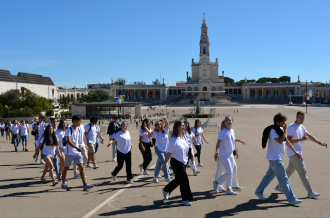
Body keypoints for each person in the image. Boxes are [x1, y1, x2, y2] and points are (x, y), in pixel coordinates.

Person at [274, 111, 327, 198]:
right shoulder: (291, 127)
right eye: (300, 118)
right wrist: (301, 139)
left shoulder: (301, 126)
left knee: (289, 170)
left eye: (303, 118)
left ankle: (279, 186)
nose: (302, 120)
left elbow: (309, 135)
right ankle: (310, 192)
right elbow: (289, 140)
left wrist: (319, 142)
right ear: (296, 117)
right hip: (294, 153)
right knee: (303, 172)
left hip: (296, 153)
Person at [255, 113, 303, 205]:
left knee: (269, 176)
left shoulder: (280, 129)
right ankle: (291, 199)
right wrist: (285, 130)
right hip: (275, 158)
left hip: (275, 158)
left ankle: (259, 191)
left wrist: (295, 151)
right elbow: (280, 140)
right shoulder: (273, 130)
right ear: (277, 122)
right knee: (284, 179)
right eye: (283, 121)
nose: (284, 123)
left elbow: (286, 141)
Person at [162, 121, 194, 206]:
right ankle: (185, 199)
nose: (183, 127)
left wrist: (191, 157)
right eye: (181, 126)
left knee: (178, 180)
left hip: (183, 162)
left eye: (183, 126)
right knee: (184, 180)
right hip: (176, 162)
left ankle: (166, 189)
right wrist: (164, 164)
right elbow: (169, 153)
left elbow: (188, 148)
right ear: (176, 127)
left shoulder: (183, 137)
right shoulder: (173, 140)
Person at [61, 115, 94, 191]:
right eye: (78, 121)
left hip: (77, 153)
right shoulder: (68, 130)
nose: (80, 122)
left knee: (81, 168)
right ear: (74, 121)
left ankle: (85, 185)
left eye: (80, 121)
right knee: (66, 168)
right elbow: (68, 141)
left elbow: (80, 140)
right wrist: (76, 148)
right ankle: (63, 182)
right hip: (69, 153)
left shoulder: (79, 129)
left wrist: (83, 145)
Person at [213, 116, 242, 195]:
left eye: (230, 120)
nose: (228, 121)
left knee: (231, 171)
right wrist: (217, 152)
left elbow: (233, 141)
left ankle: (228, 189)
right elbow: (218, 143)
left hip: (230, 154)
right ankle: (216, 182)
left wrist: (236, 150)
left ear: (232, 122)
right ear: (225, 122)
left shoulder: (232, 131)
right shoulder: (223, 132)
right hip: (223, 154)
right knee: (229, 172)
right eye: (227, 120)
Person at [144, 117, 171, 183]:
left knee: (159, 164)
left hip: (165, 149)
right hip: (158, 149)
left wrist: (166, 119)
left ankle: (155, 177)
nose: (157, 126)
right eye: (156, 125)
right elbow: (150, 134)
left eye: (158, 124)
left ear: (161, 125)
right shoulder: (155, 132)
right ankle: (168, 178)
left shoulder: (165, 130)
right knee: (165, 162)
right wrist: (146, 128)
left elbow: (167, 124)